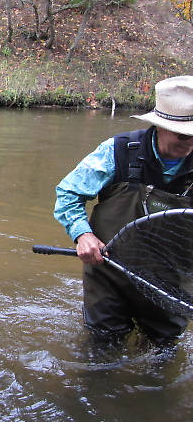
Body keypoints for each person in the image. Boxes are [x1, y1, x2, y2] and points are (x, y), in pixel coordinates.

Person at [54, 75, 193, 343]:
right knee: (101, 349)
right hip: (109, 272)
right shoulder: (117, 151)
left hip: (172, 282)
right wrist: (83, 234)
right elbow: (68, 192)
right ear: (160, 126)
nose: (190, 144)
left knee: (162, 352)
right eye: (184, 136)